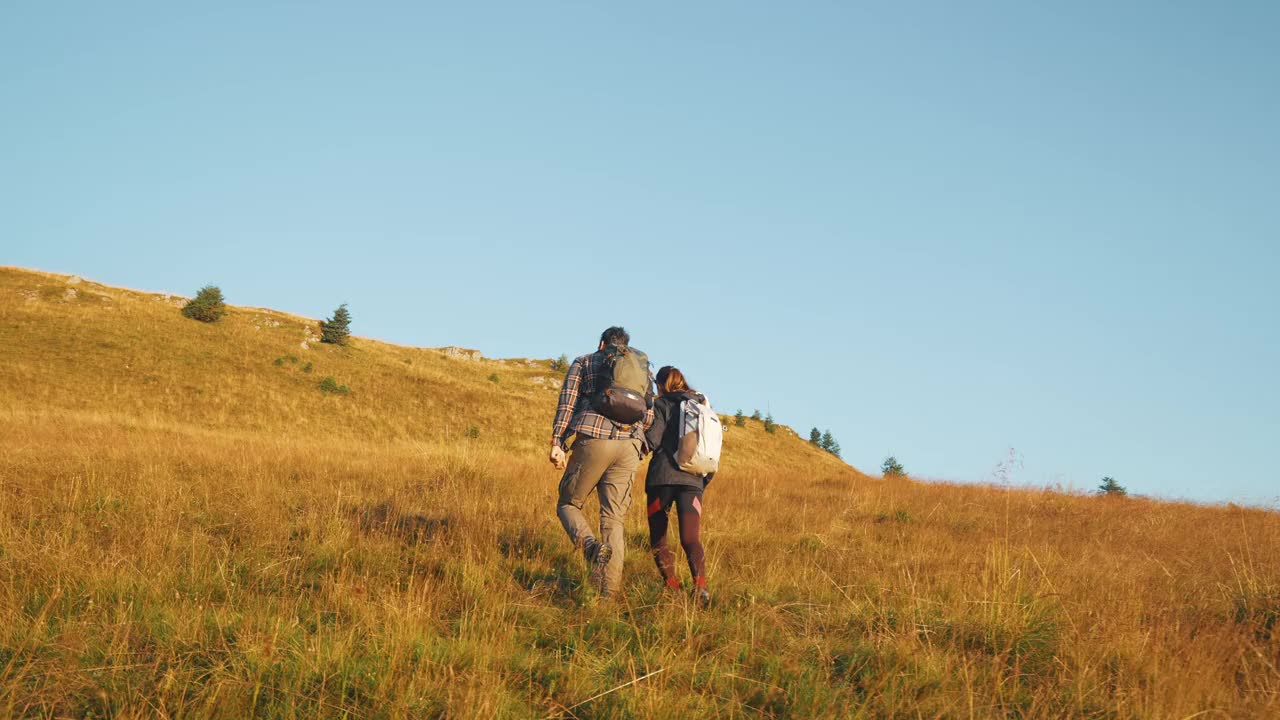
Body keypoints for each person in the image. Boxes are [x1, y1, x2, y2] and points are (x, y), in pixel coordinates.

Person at [550, 326, 654, 597]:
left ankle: (590, 547)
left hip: (594, 437)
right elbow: (649, 415)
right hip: (630, 444)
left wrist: (558, 442)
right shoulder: (641, 368)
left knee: (568, 503)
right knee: (613, 520)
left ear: (602, 343)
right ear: (625, 345)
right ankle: (607, 596)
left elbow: (567, 403)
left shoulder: (586, 361)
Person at [643, 366, 713, 606]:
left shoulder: (661, 405)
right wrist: (702, 481)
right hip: (693, 479)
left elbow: (652, 440)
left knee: (659, 539)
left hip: (661, 480)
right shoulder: (700, 405)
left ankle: (672, 588)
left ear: (661, 386)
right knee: (691, 538)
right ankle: (700, 588)